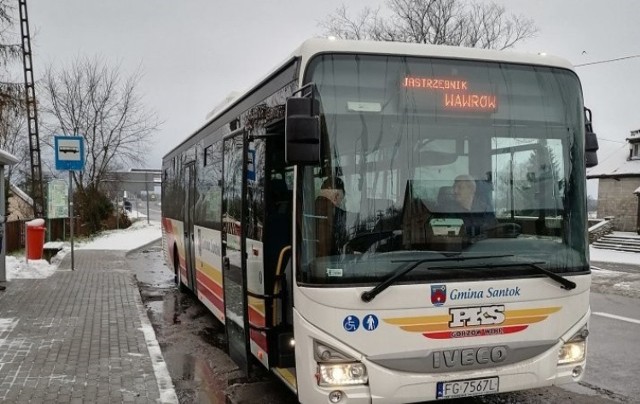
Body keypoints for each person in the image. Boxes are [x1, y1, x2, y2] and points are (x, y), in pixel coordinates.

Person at [315, 177, 347, 257]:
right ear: (336, 195)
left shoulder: (309, 209)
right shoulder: (336, 213)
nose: (339, 204)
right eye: (341, 199)